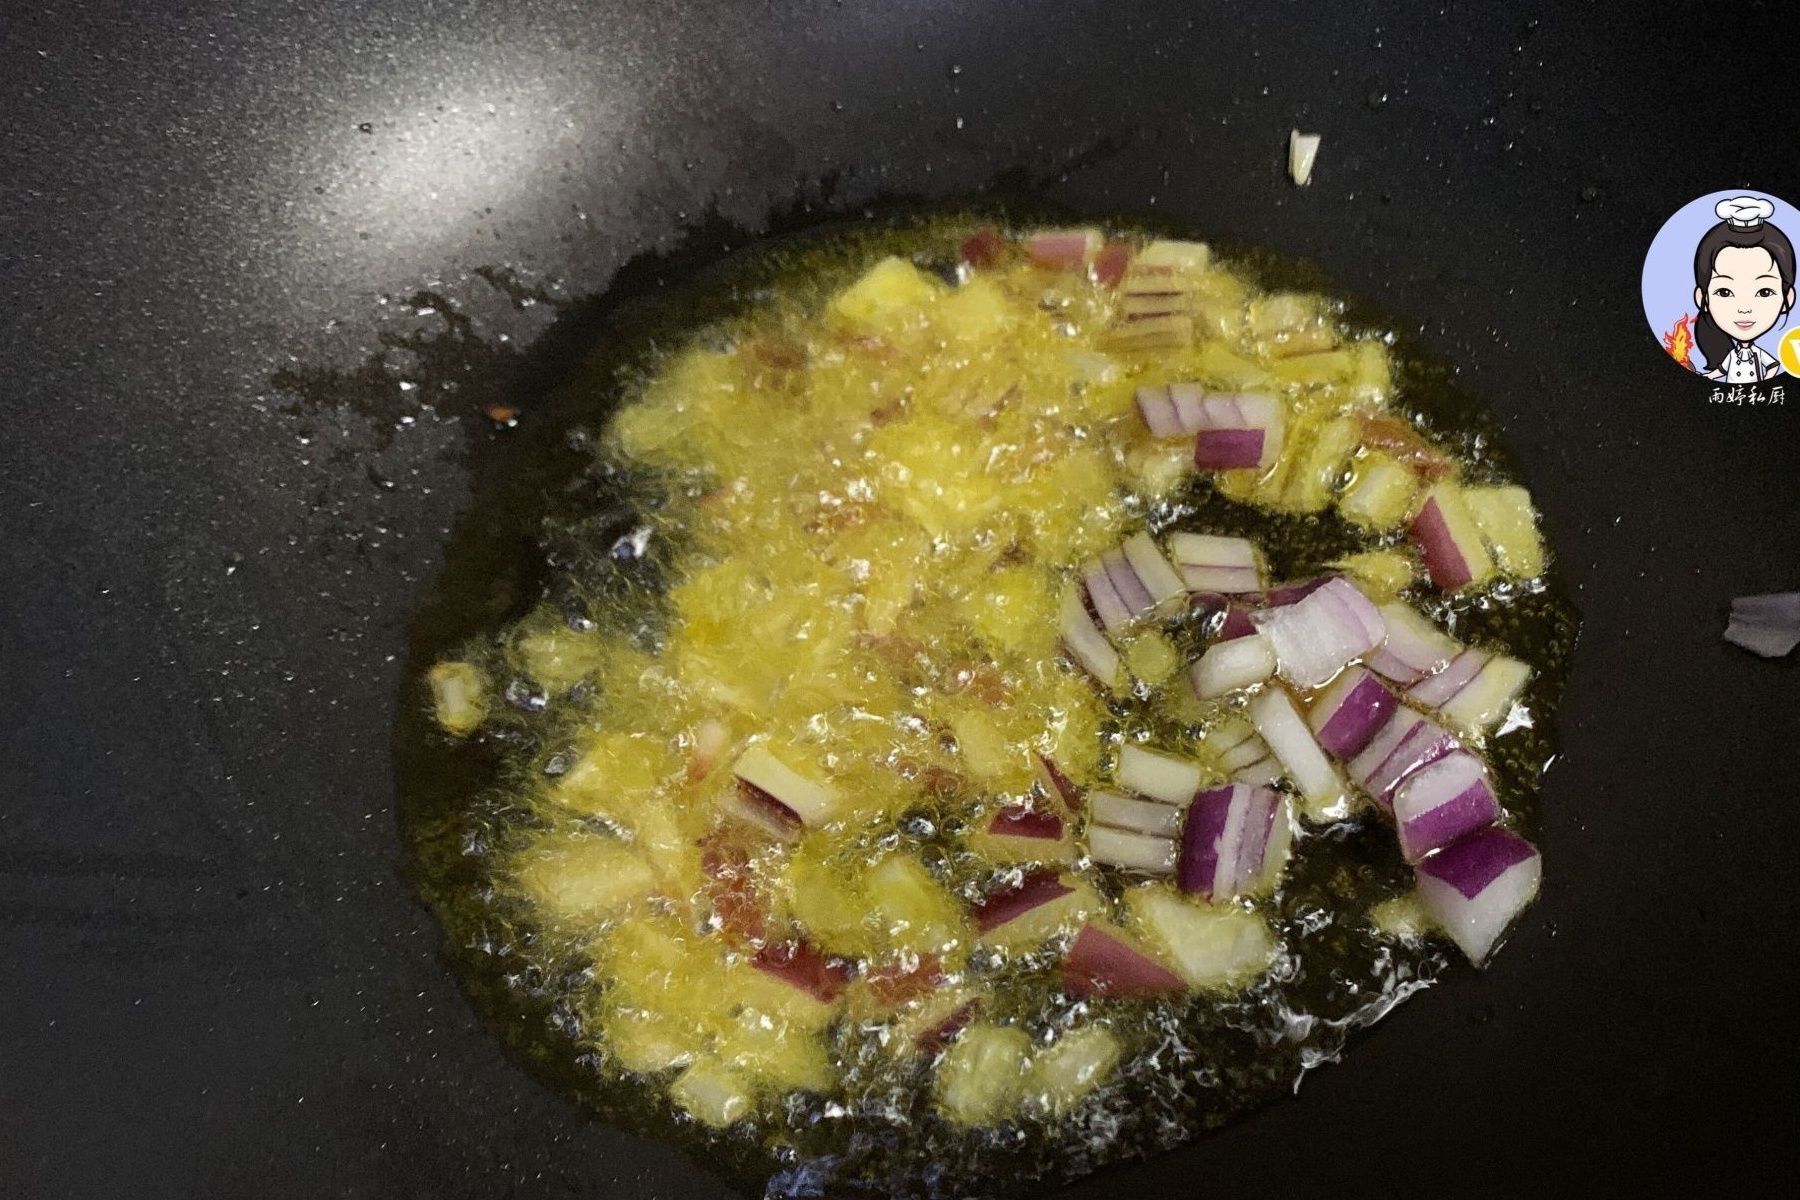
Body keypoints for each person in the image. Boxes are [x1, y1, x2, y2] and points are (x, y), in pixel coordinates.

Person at [1691, 196, 1796, 381]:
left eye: (1764, 292)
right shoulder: (1730, 355)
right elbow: (1720, 372)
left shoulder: (1758, 353)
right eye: (1725, 292)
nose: (1744, 308)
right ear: (1702, 299)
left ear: (1787, 299)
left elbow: (1774, 366)